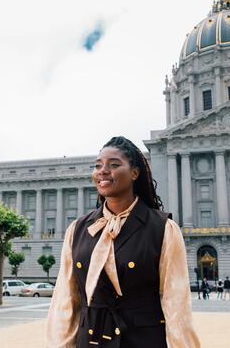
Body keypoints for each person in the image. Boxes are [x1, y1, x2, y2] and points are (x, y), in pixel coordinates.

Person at [46, 136, 200, 347]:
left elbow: (176, 305)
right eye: (98, 165)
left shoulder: (162, 228)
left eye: (114, 165)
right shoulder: (77, 230)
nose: (102, 171)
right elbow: (66, 301)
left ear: (134, 173)